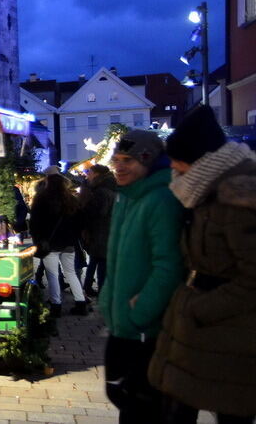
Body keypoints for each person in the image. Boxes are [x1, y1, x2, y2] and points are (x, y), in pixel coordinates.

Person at [148, 105, 256, 423]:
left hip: (231, 337)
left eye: (178, 160)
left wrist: (199, 309)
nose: (174, 168)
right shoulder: (205, 193)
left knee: (231, 412)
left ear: (199, 159)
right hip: (204, 333)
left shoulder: (239, 197)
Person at [98, 129, 185, 423]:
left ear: (148, 161)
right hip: (124, 324)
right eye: (117, 159)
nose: (119, 166)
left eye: (128, 160)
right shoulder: (128, 197)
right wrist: (109, 298)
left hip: (145, 330)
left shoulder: (160, 199)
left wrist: (142, 310)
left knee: (140, 408)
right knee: (121, 396)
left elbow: (168, 265)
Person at [30, 174, 88, 316]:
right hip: (69, 242)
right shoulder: (72, 200)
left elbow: (35, 223)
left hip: (49, 243)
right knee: (71, 273)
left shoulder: (41, 199)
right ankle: (80, 303)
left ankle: (56, 305)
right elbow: (80, 222)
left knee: (52, 274)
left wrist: (38, 239)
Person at [78, 164, 116, 297]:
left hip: (101, 231)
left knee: (100, 262)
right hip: (103, 231)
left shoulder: (102, 191)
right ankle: (90, 286)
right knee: (97, 260)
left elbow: (99, 212)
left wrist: (85, 210)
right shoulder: (105, 188)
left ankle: (101, 289)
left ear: (97, 174)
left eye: (90, 173)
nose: (88, 175)